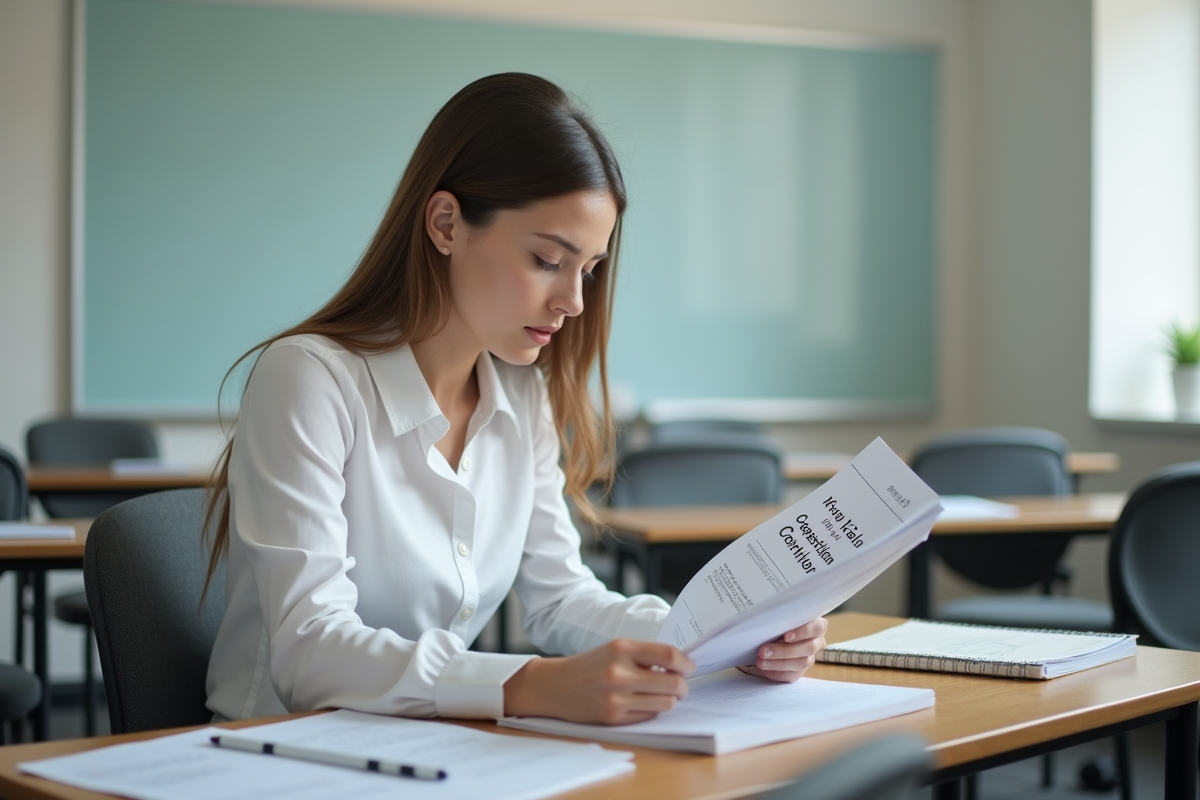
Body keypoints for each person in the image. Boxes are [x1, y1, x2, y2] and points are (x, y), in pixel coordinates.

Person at [203, 73, 827, 726]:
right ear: (446, 223)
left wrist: (723, 634)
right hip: (274, 749)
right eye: (548, 260)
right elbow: (308, 650)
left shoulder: (521, 395)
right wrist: (525, 685)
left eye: (589, 270)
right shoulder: (308, 378)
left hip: (426, 744)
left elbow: (560, 599)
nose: (575, 302)